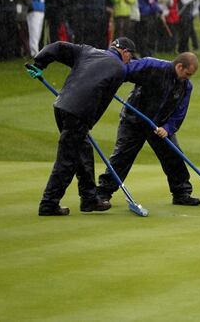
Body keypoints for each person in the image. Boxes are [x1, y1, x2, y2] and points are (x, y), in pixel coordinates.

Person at [27, 37, 135, 216]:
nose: (130, 60)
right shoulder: (119, 69)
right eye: (130, 56)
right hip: (79, 114)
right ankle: (49, 203)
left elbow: (57, 47)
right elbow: (102, 102)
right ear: (124, 52)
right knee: (67, 160)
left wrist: (39, 63)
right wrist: (88, 122)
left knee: (83, 152)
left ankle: (89, 199)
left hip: (61, 106)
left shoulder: (87, 51)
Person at [97, 52, 200, 206]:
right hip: (133, 121)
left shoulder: (186, 86)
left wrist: (167, 128)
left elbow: (180, 112)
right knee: (122, 157)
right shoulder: (152, 66)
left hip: (159, 125)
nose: (188, 78)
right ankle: (102, 193)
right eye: (187, 74)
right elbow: (124, 71)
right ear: (179, 66)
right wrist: (110, 83)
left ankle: (181, 193)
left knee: (174, 156)